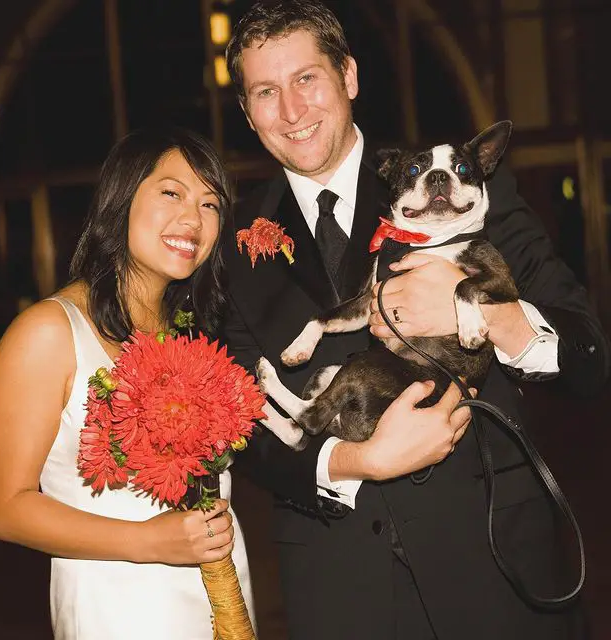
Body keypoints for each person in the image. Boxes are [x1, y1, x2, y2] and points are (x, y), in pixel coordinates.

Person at [219, 2, 610, 639]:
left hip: (496, 563)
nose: (291, 111)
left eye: (307, 79)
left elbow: (588, 355)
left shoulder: (460, 182)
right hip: (340, 589)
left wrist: (491, 314)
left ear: (348, 76)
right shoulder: (232, 245)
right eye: (266, 91)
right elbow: (238, 422)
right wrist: (348, 462)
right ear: (246, 110)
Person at [0, 127, 255, 639]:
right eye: (172, 192)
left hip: (218, 594)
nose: (193, 219)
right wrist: (149, 542)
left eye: (211, 203)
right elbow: (3, 508)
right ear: (121, 198)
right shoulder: (48, 332)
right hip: (119, 608)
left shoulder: (192, 330)